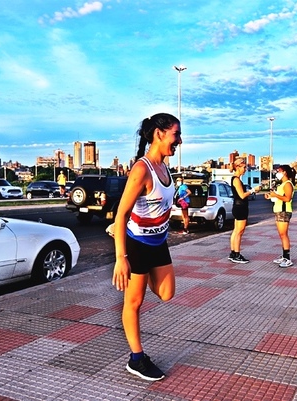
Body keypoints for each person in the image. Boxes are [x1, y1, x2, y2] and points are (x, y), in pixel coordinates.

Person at [112, 113, 181, 381]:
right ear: (159, 134)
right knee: (134, 301)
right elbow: (121, 214)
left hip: (159, 243)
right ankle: (136, 359)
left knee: (166, 293)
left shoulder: (165, 167)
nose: (180, 140)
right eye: (176, 134)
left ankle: (141, 276)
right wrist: (121, 257)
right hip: (138, 245)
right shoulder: (142, 169)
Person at [228, 157, 261, 263]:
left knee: (236, 231)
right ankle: (236, 254)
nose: (245, 169)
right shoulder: (236, 180)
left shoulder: (236, 179)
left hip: (238, 207)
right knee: (239, 232)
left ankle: (233, 252)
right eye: (244, 167)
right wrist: (253, 190)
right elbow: (242, 195)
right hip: (240, 207)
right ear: (238, 167)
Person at [264, 165, 296, 268]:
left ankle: (287, 258)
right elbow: (279, 198)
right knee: (282, 235)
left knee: (284, 235)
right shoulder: (282, 184)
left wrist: (275, 195)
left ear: (285, 172)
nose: (277, 173)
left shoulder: (287, 184)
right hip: (279, 210)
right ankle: (284, 256)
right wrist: (271, 196)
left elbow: (287, 198)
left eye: (279, 171)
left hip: (284, 211)